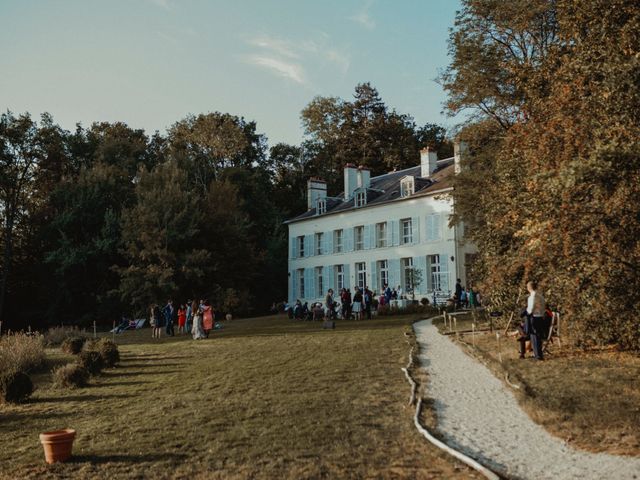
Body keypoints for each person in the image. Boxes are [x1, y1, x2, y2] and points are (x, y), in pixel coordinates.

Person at [526, 280, 546, 360]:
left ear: (529, 288)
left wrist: (527, 313)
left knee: (534, 336)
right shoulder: (540, 296)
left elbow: (530, 309)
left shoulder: (532, 297)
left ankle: (537, 355)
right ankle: (539, 354)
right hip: (541, 317)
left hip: (534, 317)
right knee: (538, 336)